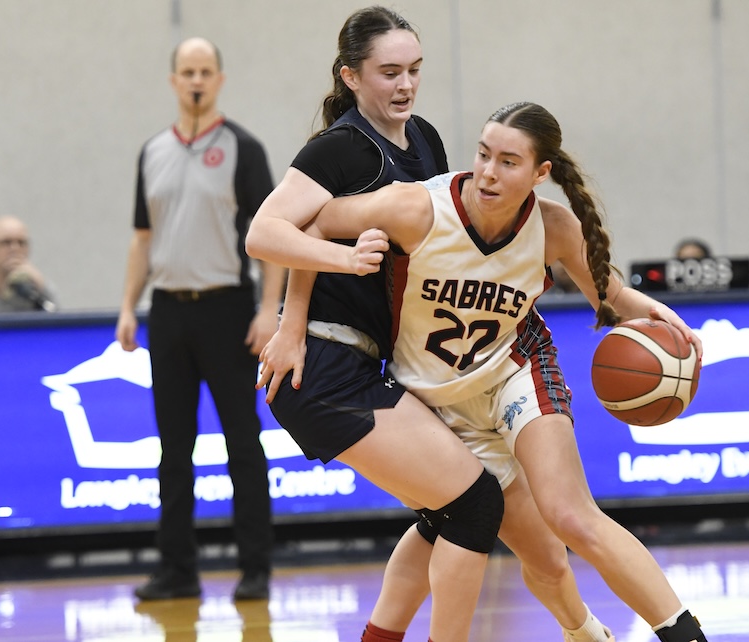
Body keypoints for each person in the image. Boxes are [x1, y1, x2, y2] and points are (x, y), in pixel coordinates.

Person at [248, 101, 711, 642]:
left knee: (570, 515)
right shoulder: (416, 207)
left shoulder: (554, 227)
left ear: (541, 173)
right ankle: (583, 630)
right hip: (438, 399)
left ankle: (686, 636)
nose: (490, 172)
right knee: (539, 556)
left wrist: (654, 311)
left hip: (516, 371)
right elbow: (312, 223)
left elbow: (610, 296)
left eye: (509, 162)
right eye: (485, 154)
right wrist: (292, 321)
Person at [246, 8, 611, 642]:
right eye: (389, 72)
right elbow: (269, 232)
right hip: (329, 365)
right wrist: (296, 315)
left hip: (386, 364)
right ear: (351, 76)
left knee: (448, 512)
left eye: (414, 69)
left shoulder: (426, 142)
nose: (405, 84)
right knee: (473, 506)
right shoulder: (340, 147)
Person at [115, 36, 284, 603]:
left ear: (219, 80)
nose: (196, 80)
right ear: (173, 80)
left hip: (228, 310)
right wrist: (127, 308)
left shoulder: (244, 148)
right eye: (187, 70)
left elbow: (273, 240)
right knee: (173, 447)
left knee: (243, 443)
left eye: (205, 70)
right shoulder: (152, 152)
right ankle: (177, 572)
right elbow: (142, 239)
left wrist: (268, 310)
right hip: (167, 312)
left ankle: (255, 569)